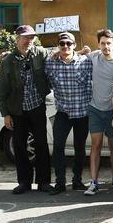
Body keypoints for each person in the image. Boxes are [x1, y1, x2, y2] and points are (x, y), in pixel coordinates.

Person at [0, 25, 52, 194]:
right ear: (17, 38)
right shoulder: (7, 61)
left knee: (42, 145)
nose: (29, 41)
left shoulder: (41, 53)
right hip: (17, 110)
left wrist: (82, 53)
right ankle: (24, 182)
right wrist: (5, 114)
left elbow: (60, 55)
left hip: (36, 107)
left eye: (32, 37)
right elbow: (1, 91)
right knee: (19, 146)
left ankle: (43, 182)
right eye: (26, 37)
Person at [45, 32, 93, 195]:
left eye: (69, 43)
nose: (65, 46)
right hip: (63, 112)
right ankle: (59, 183)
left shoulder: (86, 62)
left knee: (80, 148)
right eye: (62, 43)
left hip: (82, 112)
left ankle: (77, 181)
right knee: (58, 147)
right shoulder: (50, 63)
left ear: (74, 45)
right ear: (58, 45)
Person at [84, 29, 113, 195]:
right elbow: (76, 55)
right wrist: (79, 51)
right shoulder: (94, 57)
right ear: (98, 44)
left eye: (109, 43)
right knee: (96, 146)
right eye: (103, 43)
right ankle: (93, 182)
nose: (106, 46)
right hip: (95, 109)